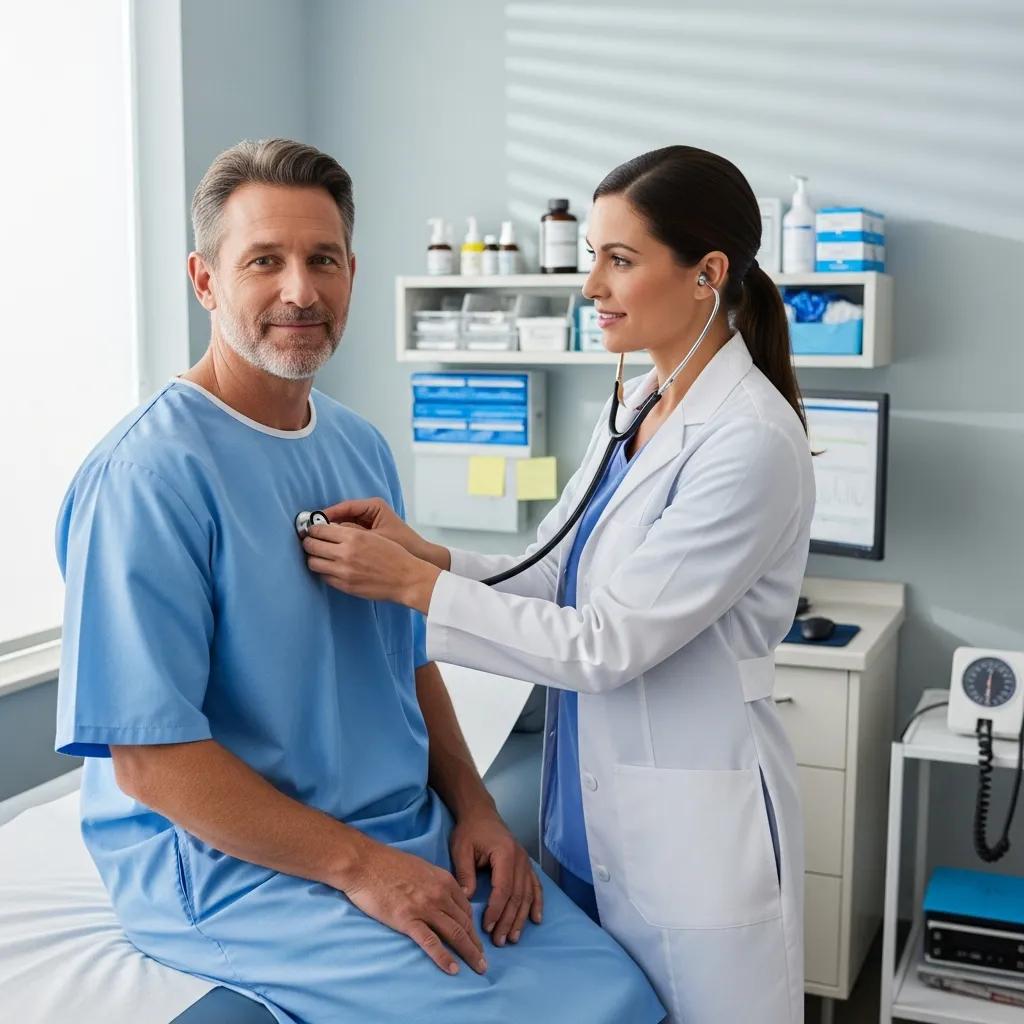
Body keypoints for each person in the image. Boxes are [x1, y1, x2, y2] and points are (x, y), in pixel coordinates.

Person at [53, 138, 665, 1024]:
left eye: (323, 259)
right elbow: (150, 762)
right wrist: (361, 869)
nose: (300, 290)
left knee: (621, 997)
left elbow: (405, 661)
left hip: (395, 825)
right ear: (204, 281)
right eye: (264, 260)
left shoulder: (358, 446)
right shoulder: (148, 477)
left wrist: (477, 808)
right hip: (238, 867)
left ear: (352, 273)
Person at [302, 145, 815, 1024]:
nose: (592, 288)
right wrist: (426, 557)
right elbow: (550, 569)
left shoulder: (751, 442)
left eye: (621, 260)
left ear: (708, 274)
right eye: (593, 259)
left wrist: (413, 593)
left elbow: (608, 643)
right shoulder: (639, 410)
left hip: (688, 833)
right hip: (588, 810)